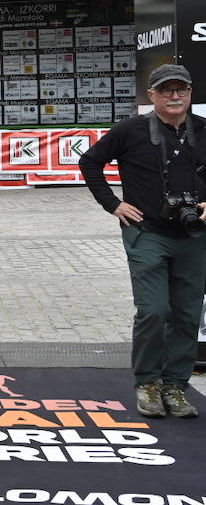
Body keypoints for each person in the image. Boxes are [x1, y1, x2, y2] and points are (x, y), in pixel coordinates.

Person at [79, 64, 206, 419]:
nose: (175, 96)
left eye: (181, 89)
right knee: (154, 310)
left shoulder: (204, 130)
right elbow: (90, 162)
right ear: (151, 96)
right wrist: (114, 204)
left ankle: (176, 387)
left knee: (186, 314)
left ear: (191, 92)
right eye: (166, 90)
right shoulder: (131, 130)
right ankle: (148, 383)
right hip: (147, 232)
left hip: (194, 236)